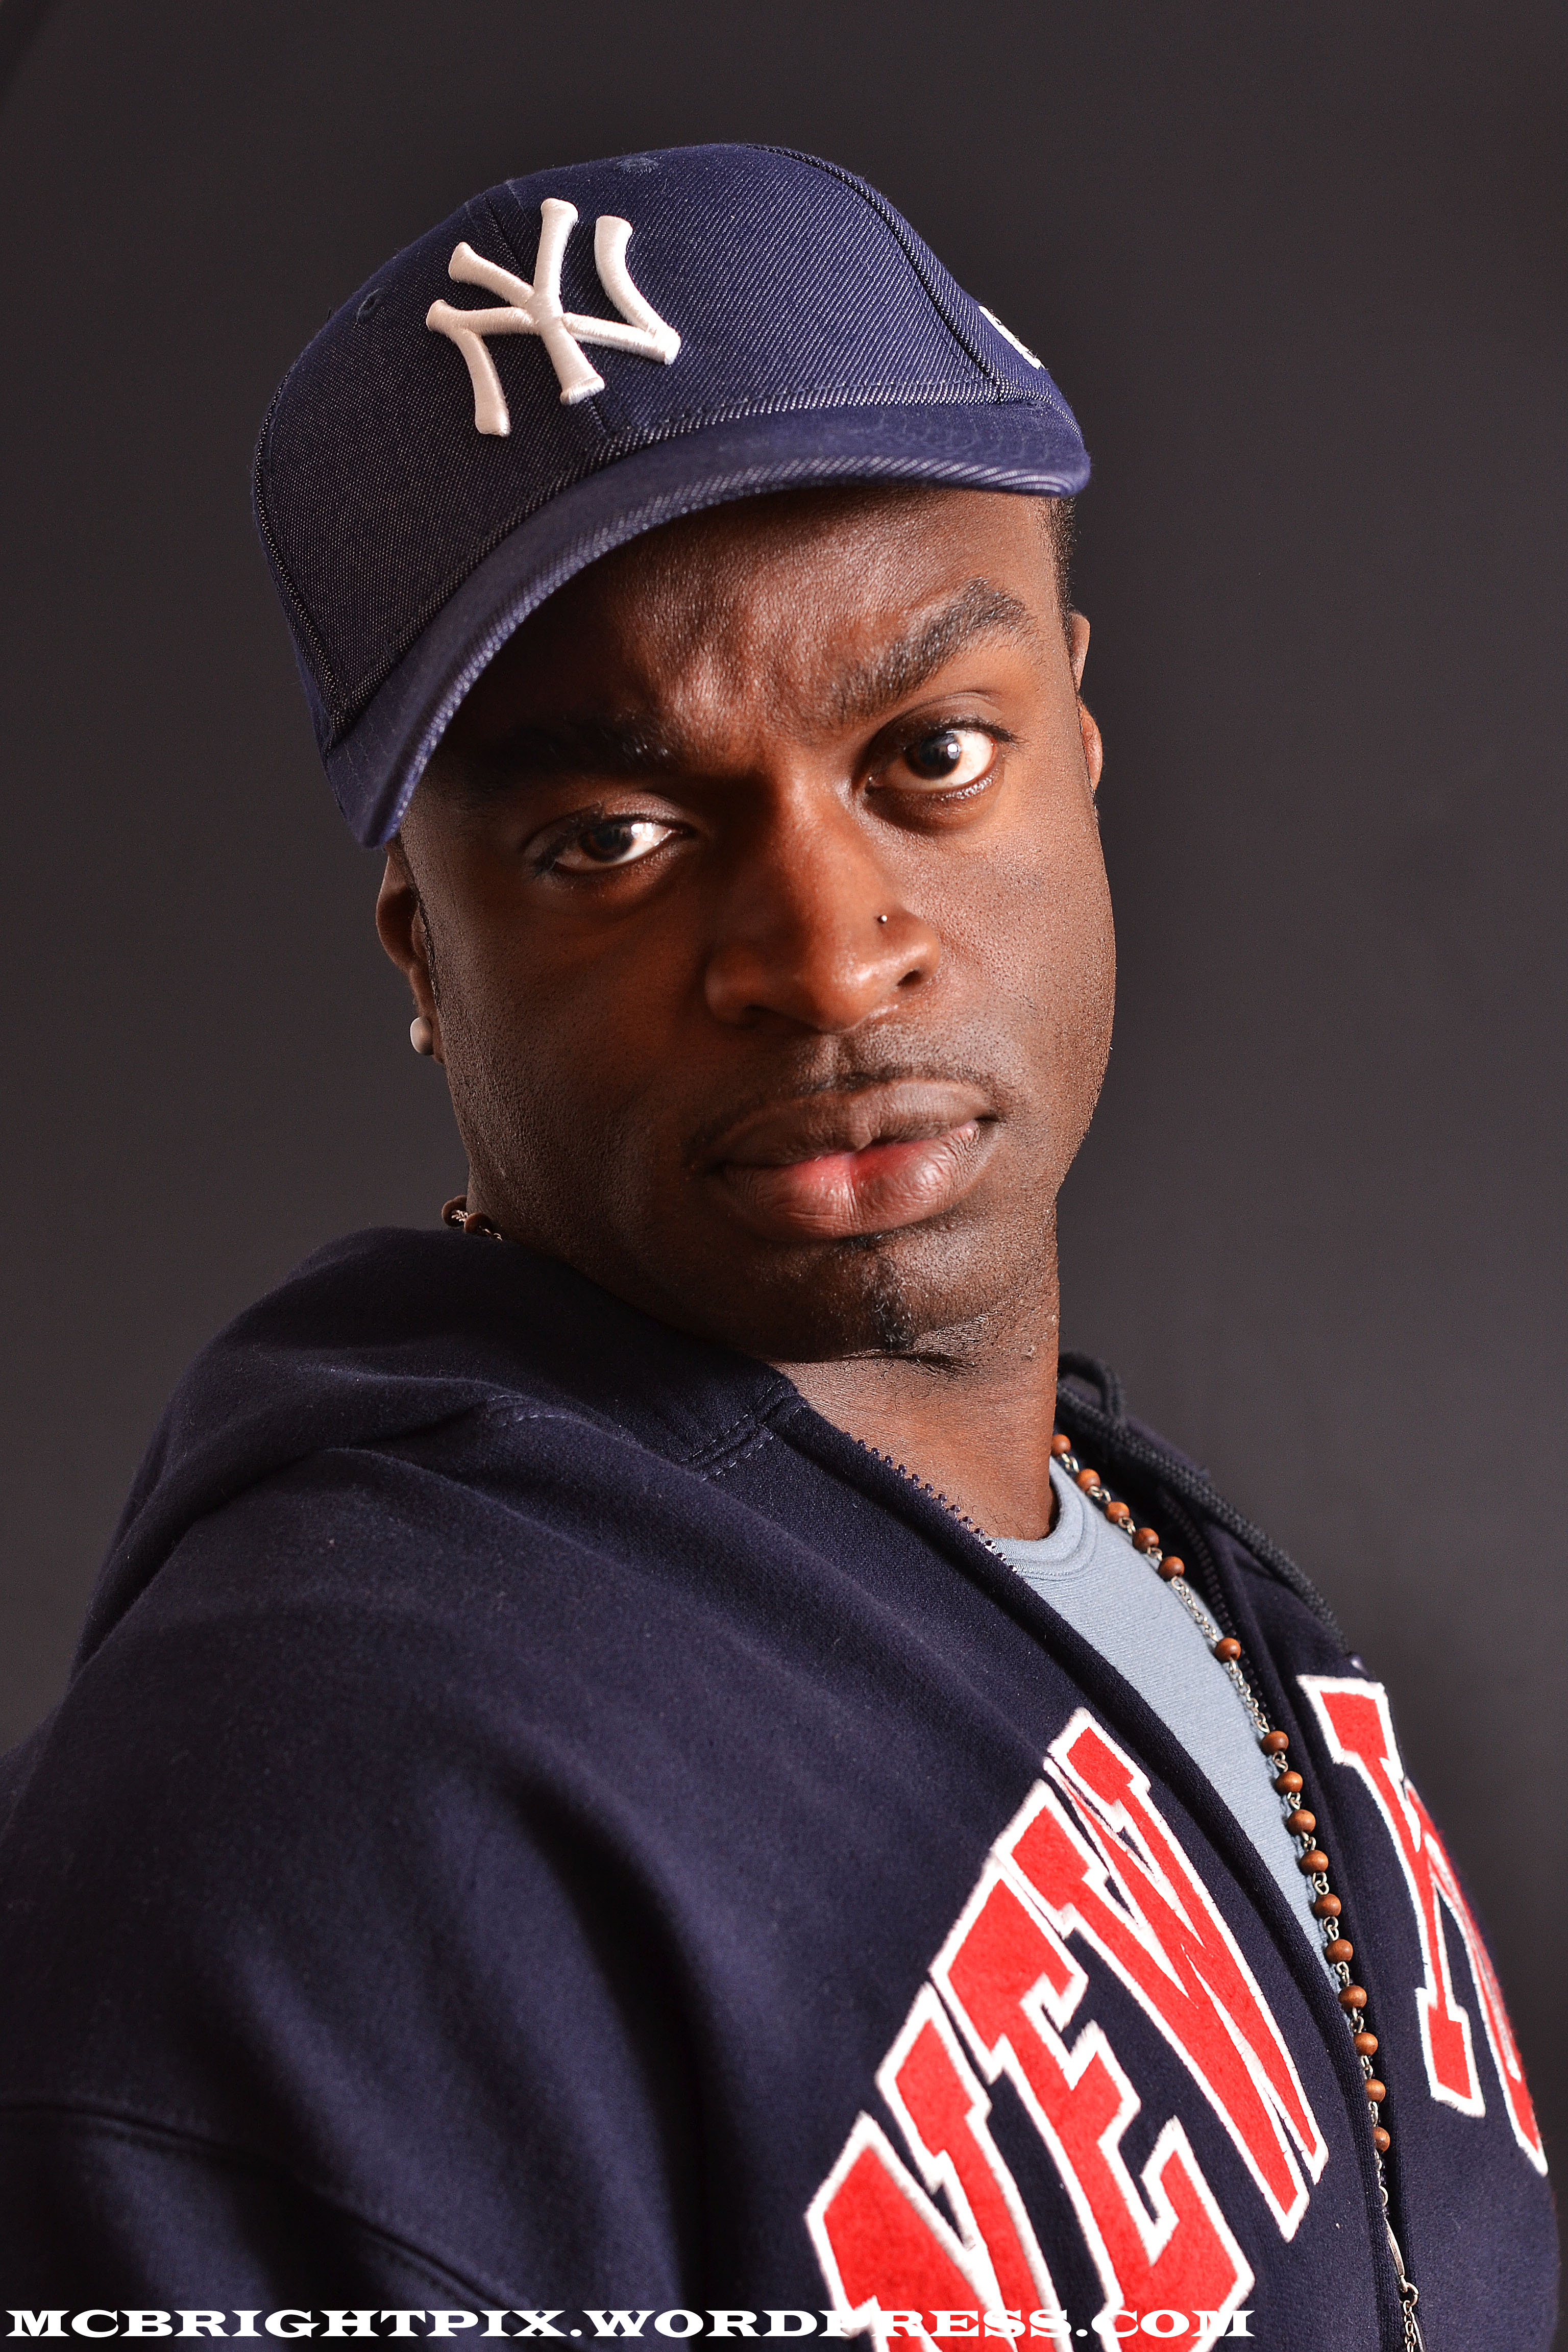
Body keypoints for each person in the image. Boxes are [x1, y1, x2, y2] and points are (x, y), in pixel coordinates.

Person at [0, 144, 1552, 2349]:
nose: (828, 956)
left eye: (933, 755)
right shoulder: (318, 1804)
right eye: (613, 839)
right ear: (423, 942)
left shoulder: (1147, 1555)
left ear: (1079, 736)